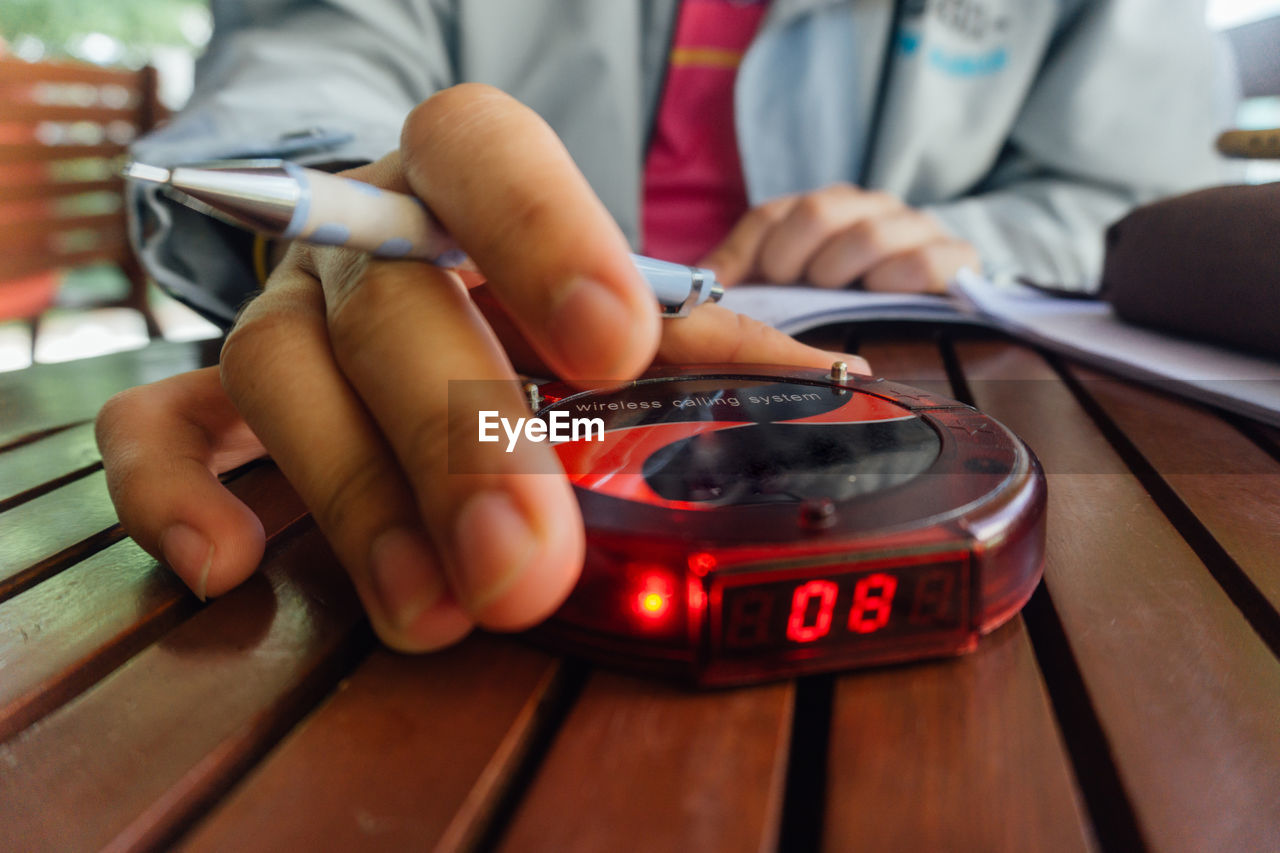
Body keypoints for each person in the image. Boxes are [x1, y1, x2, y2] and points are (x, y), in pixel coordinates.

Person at [99, 0, 1227, 651]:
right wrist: (338, 240)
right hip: (505, 387)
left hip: (962, 361)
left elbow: (1153, 194)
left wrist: (968, 238)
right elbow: (284, 90)